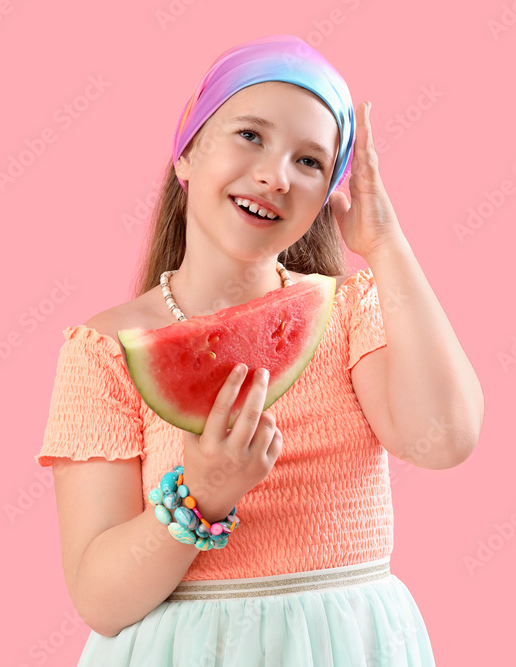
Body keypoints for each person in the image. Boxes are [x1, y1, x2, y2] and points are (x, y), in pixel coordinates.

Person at [34, 34, 484, 666]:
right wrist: (201, 494)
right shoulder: (106, 349)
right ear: (186, 154)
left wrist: (384, 245)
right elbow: (101, 601)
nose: (276, 175)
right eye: (250, 135)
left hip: (350, 646)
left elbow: (444, 439)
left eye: (310, 162)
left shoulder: (352, 309)